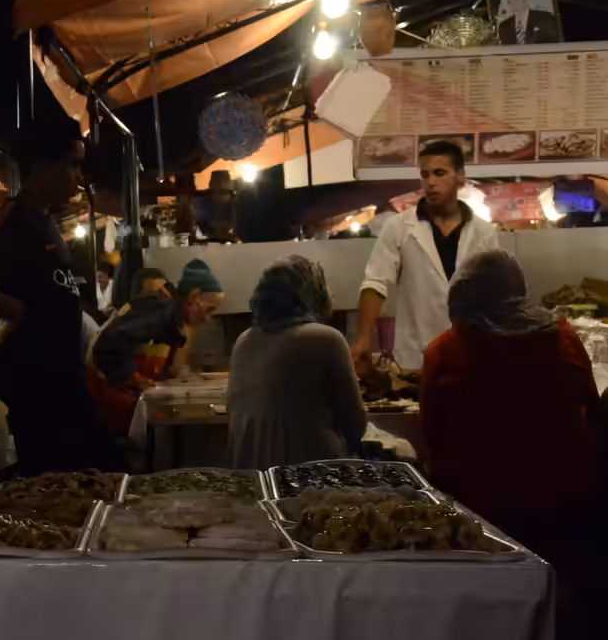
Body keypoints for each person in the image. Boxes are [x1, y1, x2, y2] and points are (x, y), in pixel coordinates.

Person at [0, 128, 113, 474]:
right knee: (52, 488)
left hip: (64, 380)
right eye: (73, 166)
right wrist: (13, 311)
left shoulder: (45, 223)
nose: (79, 178)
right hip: (37, 383)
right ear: (43, 167)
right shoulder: (12, 217)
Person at [420, 250, 605, 560]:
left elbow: (431, 435)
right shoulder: (561, 336)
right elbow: (593, 407)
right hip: (561, 499)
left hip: (478, 507)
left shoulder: (444, 352)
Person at [353, 140, 500, 370]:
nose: (430, 183)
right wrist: (363, 338)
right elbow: (375, 282)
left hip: (470, 356)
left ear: (460, 176)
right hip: (416, 358)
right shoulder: (399, 227)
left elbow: (494, 295)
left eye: (439, 173)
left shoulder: (483, 232)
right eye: (425, 175)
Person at [227, 256, 367, 470]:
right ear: (309, 294)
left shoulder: (244, 340)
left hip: (253, 479)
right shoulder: (325, 338)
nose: (331, 292)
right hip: (308, 481)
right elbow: (356, 428)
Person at [86, 261, 224, 439]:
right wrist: (136, 379)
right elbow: (107, 346)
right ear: (194, 298)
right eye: (209, 310)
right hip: (104, 408)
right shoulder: (158, 311)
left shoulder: (172, 318)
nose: (207, 319)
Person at [496, 0, 561, 46]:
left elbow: (553, 41)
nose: (513, 3)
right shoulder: (504, 26)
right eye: (509, 2)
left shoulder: (544, 17)